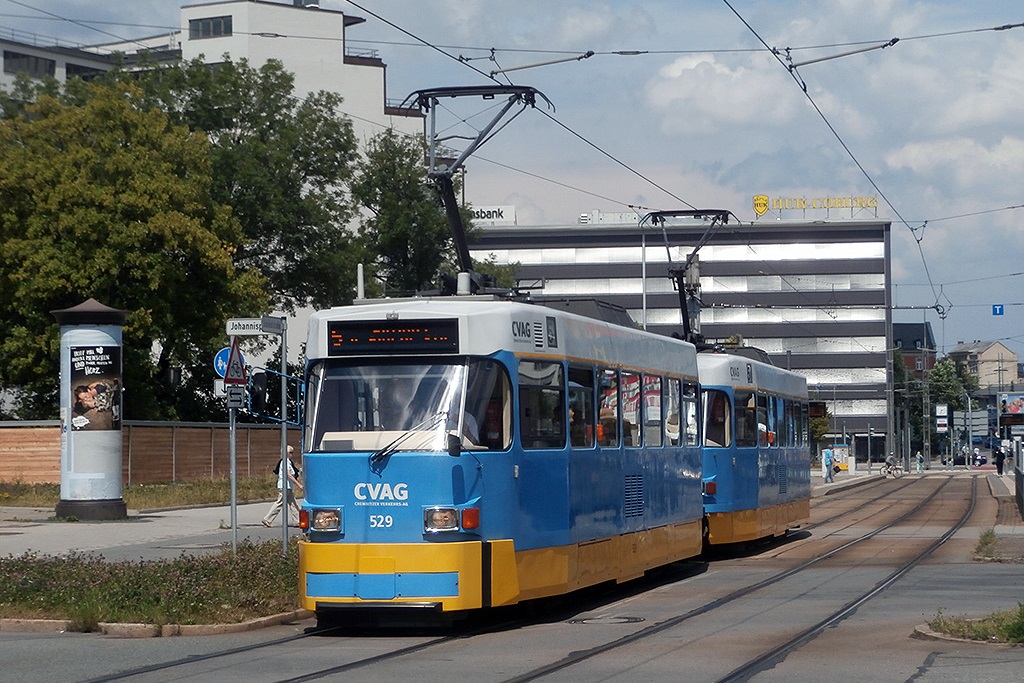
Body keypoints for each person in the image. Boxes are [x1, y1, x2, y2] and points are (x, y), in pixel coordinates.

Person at [262, 445, 301, 528]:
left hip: (288, 486)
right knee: (279, 503)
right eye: (291, 452)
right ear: (286, 453)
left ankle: (297, 521)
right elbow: (289, 475)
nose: (292, 454)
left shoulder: (289, 462)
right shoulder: (285, 462)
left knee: (293, 504)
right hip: (284, 486)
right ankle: (267, 519)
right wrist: (298, 484)